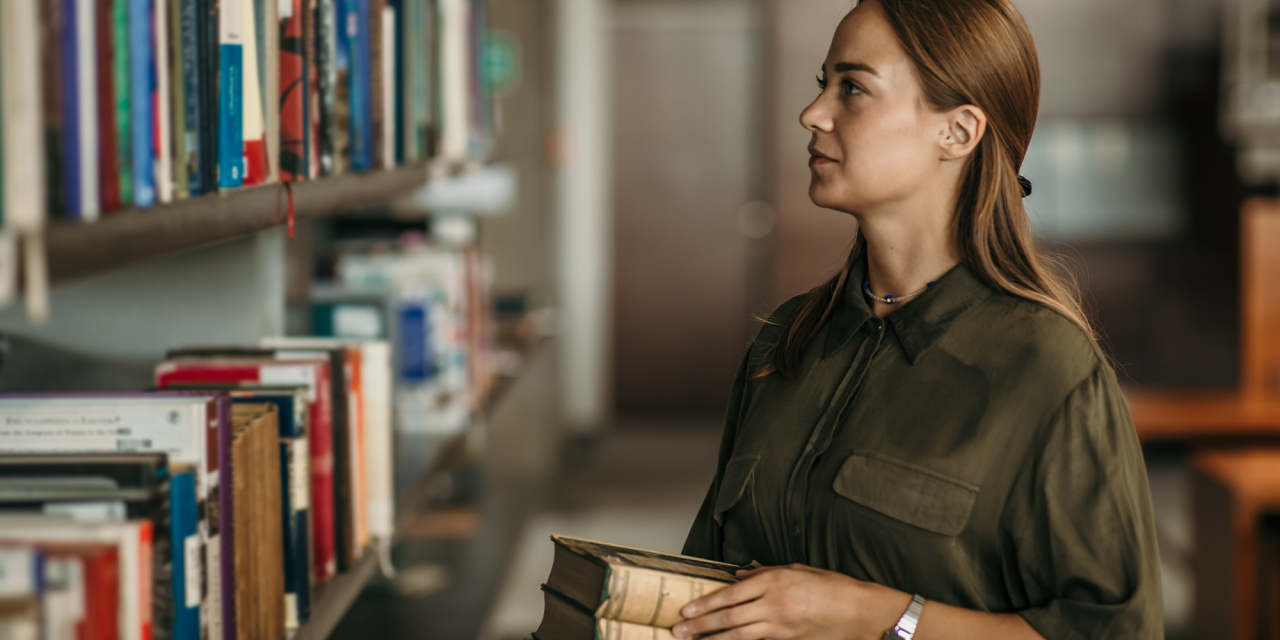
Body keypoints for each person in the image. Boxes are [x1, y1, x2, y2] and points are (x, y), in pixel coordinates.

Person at [673, 0, 1164, 639]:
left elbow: (1114, 633)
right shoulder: (786, 340)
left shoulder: (1048, 368)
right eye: (823, 84)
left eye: (853, 88)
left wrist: (873, 617)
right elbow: (703, 586)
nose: (813, 113)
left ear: (957, 132)